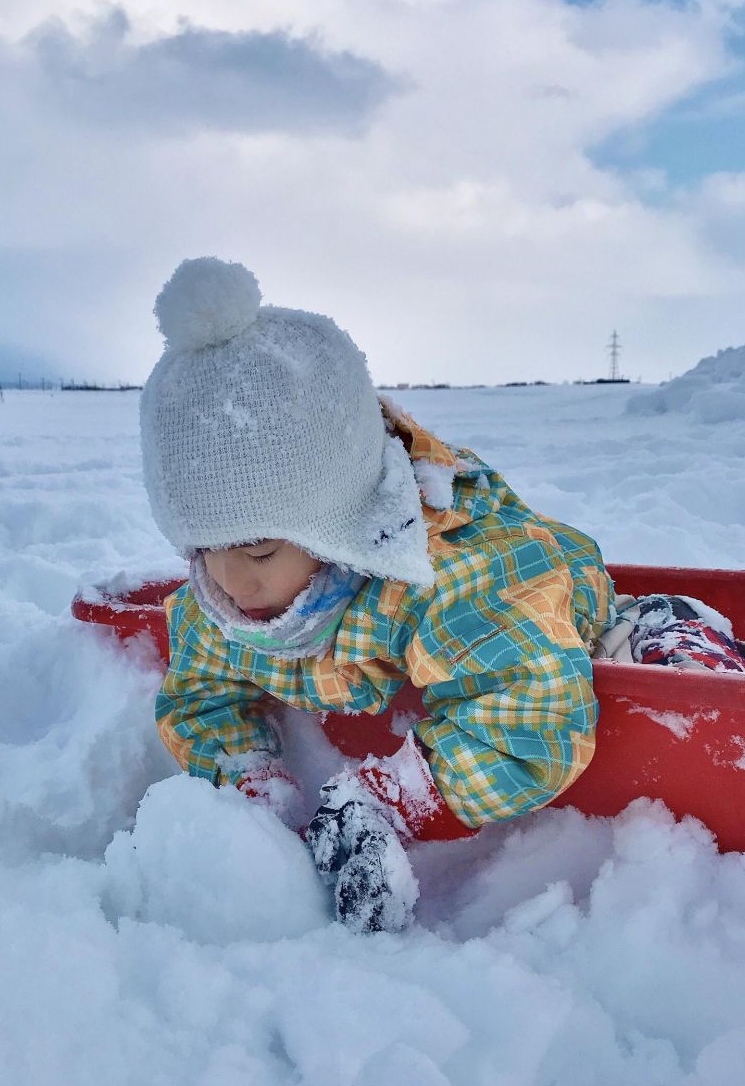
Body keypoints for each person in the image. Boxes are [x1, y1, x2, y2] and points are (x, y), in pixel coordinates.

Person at [139, 256, 617, 933]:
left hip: (553, 598)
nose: (229, 582)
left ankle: (661, 626)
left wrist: (390, 798)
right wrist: (250, 779)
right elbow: (198, 697)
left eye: (258, 552)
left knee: (609, 635)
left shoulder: (454, 581)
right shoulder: (214, 602)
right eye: (202, 549)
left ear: (341, 530)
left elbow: (529, 717)